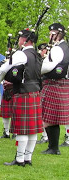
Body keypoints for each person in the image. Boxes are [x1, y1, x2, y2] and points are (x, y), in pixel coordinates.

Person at [0, 28, 43, 166]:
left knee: (23, 128)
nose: (18, 41)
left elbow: (4, 68)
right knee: (33, 129)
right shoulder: (37, 55)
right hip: (35, 92)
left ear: (25, 40)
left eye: (20, 38)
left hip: (23, 92)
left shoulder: (21, 54)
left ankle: (19, 159)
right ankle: (28, 158)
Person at [40, 23, 69, 154]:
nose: (49, 36)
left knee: (49, 119)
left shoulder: (57, 49)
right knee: (53, 118)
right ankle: (53, 147)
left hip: (53, 84)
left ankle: (53, 148)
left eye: (51, 33)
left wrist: (39, 68)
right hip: (61, 84)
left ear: (56, 34)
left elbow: (48, 67)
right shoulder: (65, 47)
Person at [36, 43, 49, 144]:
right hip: (40, 86)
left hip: (47, 86)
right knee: (42, 112)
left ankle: (46, 136)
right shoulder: (38, 59)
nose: (43, 51)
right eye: (41, 50)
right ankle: (44, 136)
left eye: (44, 50)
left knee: (46, 113)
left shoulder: (49, 59)